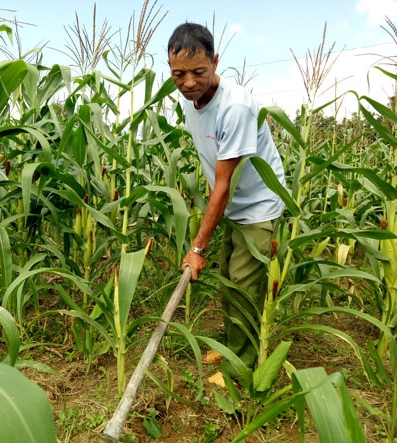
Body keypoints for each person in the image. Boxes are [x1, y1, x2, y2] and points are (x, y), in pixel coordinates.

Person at [168, 23, 286, 386]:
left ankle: (241, 368)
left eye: (199, 72)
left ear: (215, 61)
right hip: (233, 205)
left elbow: (223, 184)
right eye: (178, 74)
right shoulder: (192, 102)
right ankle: (233, 346)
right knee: (228, 283)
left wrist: (197, 247)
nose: (189, 83)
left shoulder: (234, 107)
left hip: (258, 205)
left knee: (245, 286)